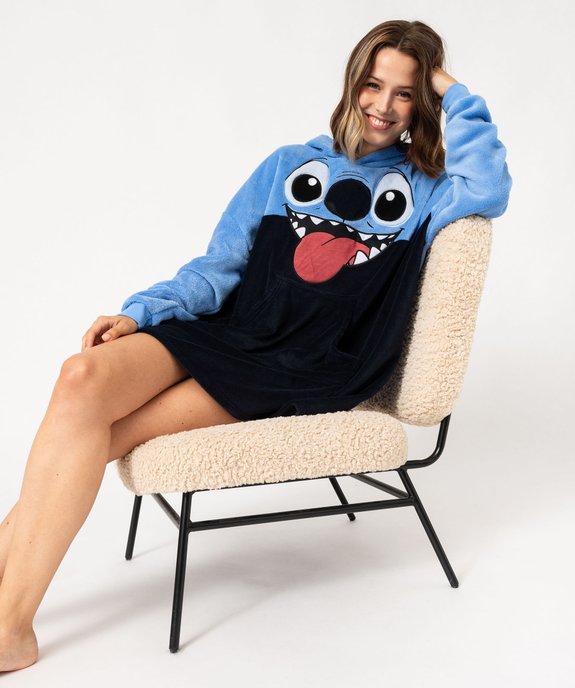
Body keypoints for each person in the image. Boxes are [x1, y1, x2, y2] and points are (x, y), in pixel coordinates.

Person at [0, 19, 511, 671]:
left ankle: (11, 625)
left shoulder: (430, 189)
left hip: (301, 364)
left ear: (424, 104)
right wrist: (141, 313)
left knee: (106, 432)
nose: (383, 105)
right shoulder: (286, 165)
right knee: (81, 377)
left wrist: (451, 88)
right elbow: (221, 266)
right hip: (231, 330)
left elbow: (489, 189)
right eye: (373, 84)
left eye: (405, 93)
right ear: (352, 83)